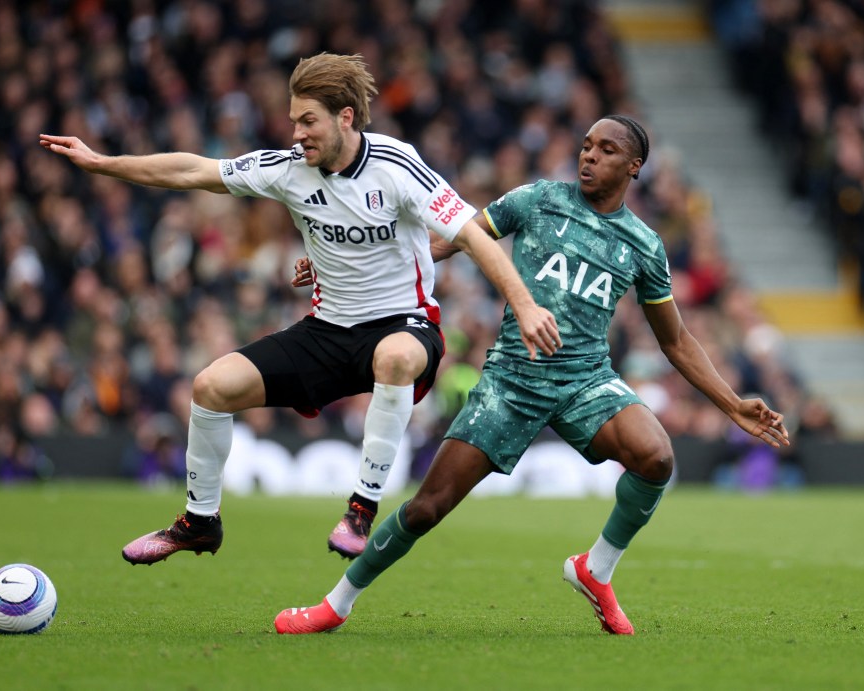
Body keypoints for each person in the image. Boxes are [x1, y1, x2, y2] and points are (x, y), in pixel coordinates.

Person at [274, 114, 790, 635]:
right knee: (428, 508)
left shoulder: (643, 245)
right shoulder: (538, 199)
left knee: (656, 456)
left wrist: (731, 403)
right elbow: (448, 241)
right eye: (587, 146)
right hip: (511, 382)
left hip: (586, 380)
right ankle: (336, 603)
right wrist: (345, 261)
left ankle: (596, 569)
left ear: (634, 167)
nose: (590, 155)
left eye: (606, 150)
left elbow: (675, 339)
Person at [39, 53, 561, 564]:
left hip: (405, 325)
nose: (296, 133)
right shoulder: (288, 169)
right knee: (210, 387)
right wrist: (103, 163)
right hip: (327, 330)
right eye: (293, 121)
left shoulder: (396, 165)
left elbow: (474, 237)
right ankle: (199, 522)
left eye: (308, 121)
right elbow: (194, 170)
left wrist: (526, 306)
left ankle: (361, 508)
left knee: (395, 359)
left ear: (345, 118)